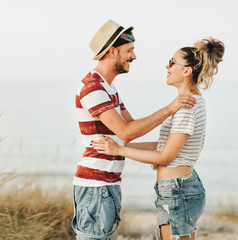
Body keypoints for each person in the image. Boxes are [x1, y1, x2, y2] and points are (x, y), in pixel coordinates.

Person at [72, 19, 197, 240]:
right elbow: (126, 132)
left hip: (108, 184)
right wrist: (171, 107)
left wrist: (168, 146)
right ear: (112, 51)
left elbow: (131, 129)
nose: (134, 56)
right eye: (129, 50)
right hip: (95, 184)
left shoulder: (109, 88)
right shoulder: (93, 88)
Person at [91, 37, 225, 240]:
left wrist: (120, 151)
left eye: (172, 62)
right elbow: (163, 145)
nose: (167, 66)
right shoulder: (189, 102)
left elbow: (165, 157)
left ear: (187, 71)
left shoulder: (186, 107)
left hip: (178, 191)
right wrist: (123, 143)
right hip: (178, 189)